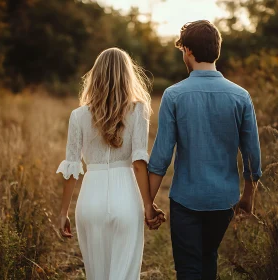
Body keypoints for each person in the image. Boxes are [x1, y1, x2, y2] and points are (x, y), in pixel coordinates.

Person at [147, 20, 262, 280]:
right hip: (224, 200)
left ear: (187, 50)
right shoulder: (240, 96)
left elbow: (161, 157)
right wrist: (248, 196)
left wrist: (148, 203)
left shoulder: (174, 95)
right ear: (217, 49)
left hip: (186, 200)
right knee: (208, 257)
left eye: (182, 51)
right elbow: (252, 153)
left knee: (188, 269)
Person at [56, 47, 165, 280]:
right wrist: (148, 205)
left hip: (89, 201)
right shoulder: (138, 110)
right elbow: (138, 162)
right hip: (125, 197)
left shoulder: (78, 115)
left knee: (96, 274)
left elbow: (72, 168)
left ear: (95, 75)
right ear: (128, 75)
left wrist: (63, 211)